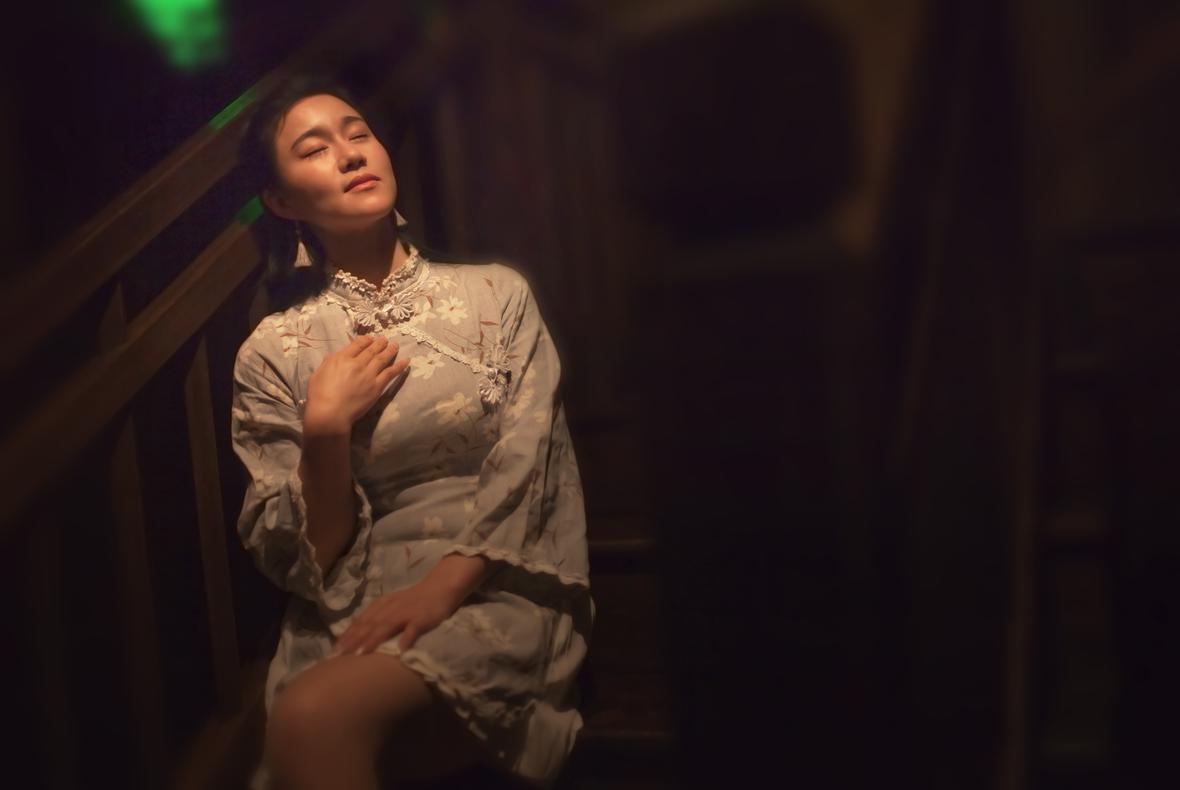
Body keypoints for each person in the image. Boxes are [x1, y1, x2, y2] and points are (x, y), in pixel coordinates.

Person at [230, 76, 593, 790]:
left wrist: (441, 589)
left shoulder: (495, 294)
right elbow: (311, 557)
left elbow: (533, 459)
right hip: (351, 606)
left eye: (358, 133)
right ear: (281, 202)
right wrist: (325, 428)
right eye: (314, 149)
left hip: (494, 581)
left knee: (315, 719)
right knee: (315, 724)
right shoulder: (272, 351)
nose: (349, 154)